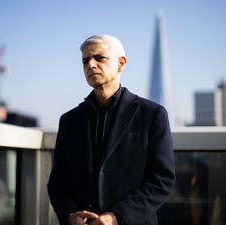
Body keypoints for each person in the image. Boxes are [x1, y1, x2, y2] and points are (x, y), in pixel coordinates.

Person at [47, 34, 175, 225]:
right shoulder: (69, 120)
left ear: (121, 63)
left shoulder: (152, 114)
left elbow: (162, 179)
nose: (90, 65)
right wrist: (69, 214)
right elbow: (58, 183)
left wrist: (117, 216)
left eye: (99, 58)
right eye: (85, 60)